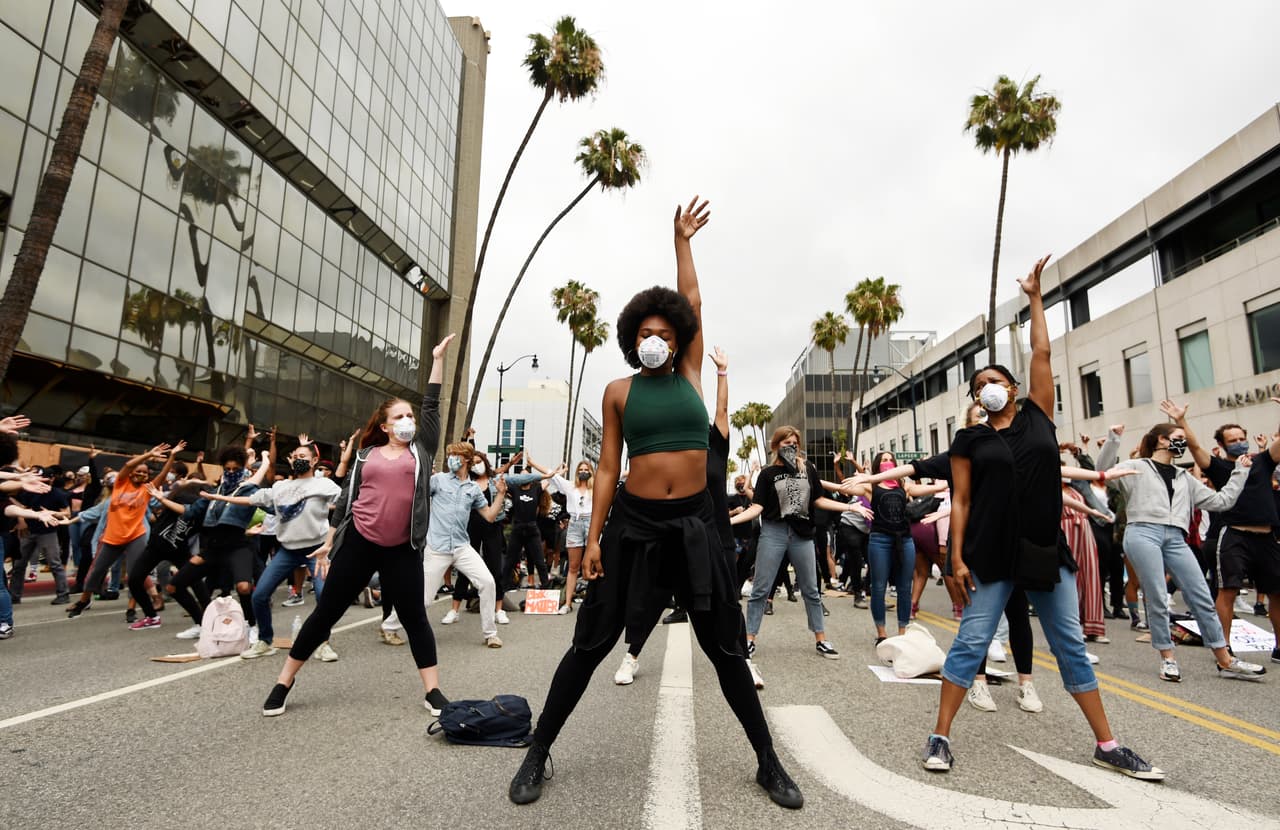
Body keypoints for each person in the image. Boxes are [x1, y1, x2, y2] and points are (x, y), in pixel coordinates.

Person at [509, 198, 803, 809]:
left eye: (665, 335)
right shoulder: (619, 391)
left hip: (695, 525)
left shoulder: (690, 373)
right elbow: (610, 466)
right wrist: (592, 539)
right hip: (633, 525)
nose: (656, 341)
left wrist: (683, 243)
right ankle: (539, 751)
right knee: (590, 645)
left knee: (725, 651)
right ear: (632, 340)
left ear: (679, 342)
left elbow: (693, 301)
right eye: (646, 334)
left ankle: (767, 761)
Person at [921, 255, 1163, 781]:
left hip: (1042, 550)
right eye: (977, 384)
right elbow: (959, 502)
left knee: (1070, 645)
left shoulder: (1039, 415)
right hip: (988, 553)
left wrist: (1034, 296)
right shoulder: (969, 439)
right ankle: (940, 737)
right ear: (976, 400)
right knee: (971, 643)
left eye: (994, 379)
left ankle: (1107, 743)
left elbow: (1043, 351)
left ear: (1011, 387)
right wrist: (955, 558)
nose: (986, 387)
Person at [261, 334, 456, 718]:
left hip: (403, 548)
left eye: (409, 416)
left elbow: (432, 405)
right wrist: (329, 542)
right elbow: (345, 505)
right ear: (384, 426)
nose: (407, 421)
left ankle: (432, 691)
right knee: (326, 614)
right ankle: (284, 681)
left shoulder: (422, 450)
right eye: (399, 416)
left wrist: (437, 361)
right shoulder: (366, 457)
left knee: (415, 618)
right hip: (360, 543)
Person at [1095, 418, 1264, 681]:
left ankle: (1225, 660)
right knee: (1158, 596)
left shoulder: (1184, 477)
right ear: (1161, 439)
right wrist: (1113, 439)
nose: (1182, 442)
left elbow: (1222, 501)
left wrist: (1240, 472)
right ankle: (1167, 657)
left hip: (1176, 536)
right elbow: (1102, 471)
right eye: (1177, 436)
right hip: (1143, 531)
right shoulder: (1137, 467)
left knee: (1201, 597)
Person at [734, 428, 871, 658]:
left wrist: (850, 506)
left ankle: (821, 639)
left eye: (795, 443)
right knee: (761, 589)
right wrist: (729, 521)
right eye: (787, 442)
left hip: (801, 535)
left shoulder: (807, 469)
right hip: (774, 532)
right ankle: (749, 639)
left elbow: (818, 500)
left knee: (811, 590)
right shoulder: (768, 473)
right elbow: (757, 507)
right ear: (777, 445)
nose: (792, 446)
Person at [201, 440, 343, 659]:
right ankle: (265, 641)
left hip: (317, 550)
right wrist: (218, 497)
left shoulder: (325, 486)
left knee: (324, 597)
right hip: (287, 550)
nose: (299, 460)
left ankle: (323, 643)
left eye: (304, 457)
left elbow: (345, 504)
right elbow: (250, 500)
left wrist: (332, 541)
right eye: (296, 457)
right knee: (259, 596)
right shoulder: (280, 488)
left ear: (314, 461)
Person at [1163, 399, 1280, 664]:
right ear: (1224, 445)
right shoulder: (1219, 467)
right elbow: (1193, 447)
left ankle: (1279, 648)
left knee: (1277, 592)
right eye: (1233, 439)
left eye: (1242, 437)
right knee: (1228, 591)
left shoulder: (1263, 461)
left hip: (1267, 537)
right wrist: (1181, 420)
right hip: (1235, 535)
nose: (1240, 442)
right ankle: (1224, 649)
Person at [383, 442, 508, 648]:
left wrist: (501, 494)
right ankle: (388, 627)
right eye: (449, 454)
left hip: (461, 547)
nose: (451, 458)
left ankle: (490, 634)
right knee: (424, 599)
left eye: (455, 455)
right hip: (437, 548)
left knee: (488, 582)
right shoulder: (438, 481)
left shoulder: (473, 489)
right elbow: (416, 497)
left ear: (466, 459)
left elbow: (489, 516)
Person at [66, 441, 185, 619]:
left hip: (136, 536)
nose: (141, 474)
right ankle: (83, 601)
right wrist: (149, 454)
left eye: (145, 473)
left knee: (135, 575)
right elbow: (129, 465)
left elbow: (163, 474)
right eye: (139, 471)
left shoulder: (147, 489)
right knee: (96, 571)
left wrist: (173, 456)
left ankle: (131, 608)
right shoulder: (120, 483)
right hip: (112, 537)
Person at [843, 450, 938, 643]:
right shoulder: (871, 486)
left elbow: (936, 488)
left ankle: (902, 633)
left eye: (890, 460)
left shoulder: (906, 487)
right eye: (884, 460)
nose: (887, 462)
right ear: (878, 466)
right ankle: (882, 634)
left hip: (905, 540)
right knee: (878, 587)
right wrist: (816, 483)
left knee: (904, 587)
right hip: (879, 540)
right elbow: (841, 487)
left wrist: (950, 475)